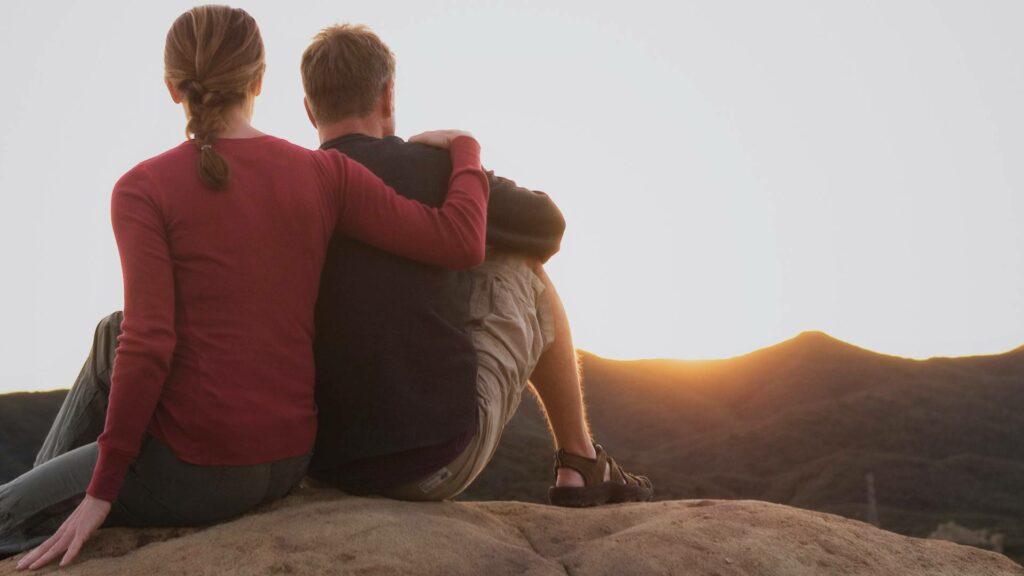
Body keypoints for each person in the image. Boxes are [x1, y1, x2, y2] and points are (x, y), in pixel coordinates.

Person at [1, 6, 490, 569]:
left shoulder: (142, 188)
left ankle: (35, 512)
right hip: (286, 462)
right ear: (259, 80)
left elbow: (151, 343)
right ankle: (41, 502)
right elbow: (458, 239)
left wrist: (101, 492)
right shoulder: (322, 173)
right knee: (111, 331)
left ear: (171, 88)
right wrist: (465, 148)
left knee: (10, 505)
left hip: (194, 470)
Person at [301, 24, 652, 506]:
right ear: (387, 96)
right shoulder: (433, 170)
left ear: (308, 108)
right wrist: (465, 164)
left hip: (322, 465)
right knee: (526, 269)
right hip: (434, 463)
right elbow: (547, 225)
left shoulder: (290, 189)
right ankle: (580, 461)